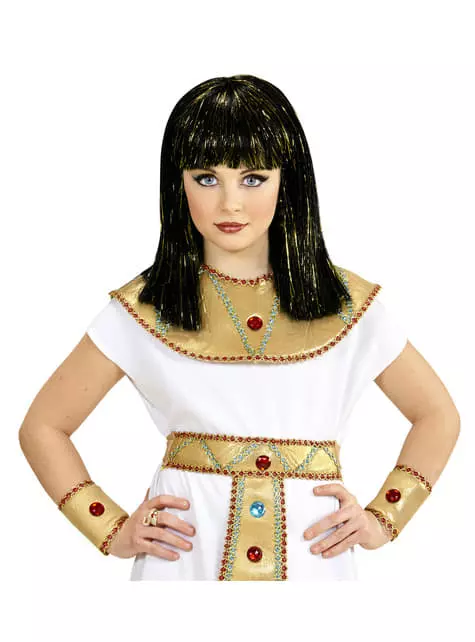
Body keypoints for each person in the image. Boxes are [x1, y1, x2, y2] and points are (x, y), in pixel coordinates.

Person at [19, 74, 460, 581]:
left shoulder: (350, 307)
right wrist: (109, 527)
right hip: (183, 562)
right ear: (178, 183)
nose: (230, 203)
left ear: (287, 180)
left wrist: (384, 517)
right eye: (206, 178)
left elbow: (437, 415)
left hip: (313, 560)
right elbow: (43, 427)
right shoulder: (143, 309)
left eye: (253, 178)